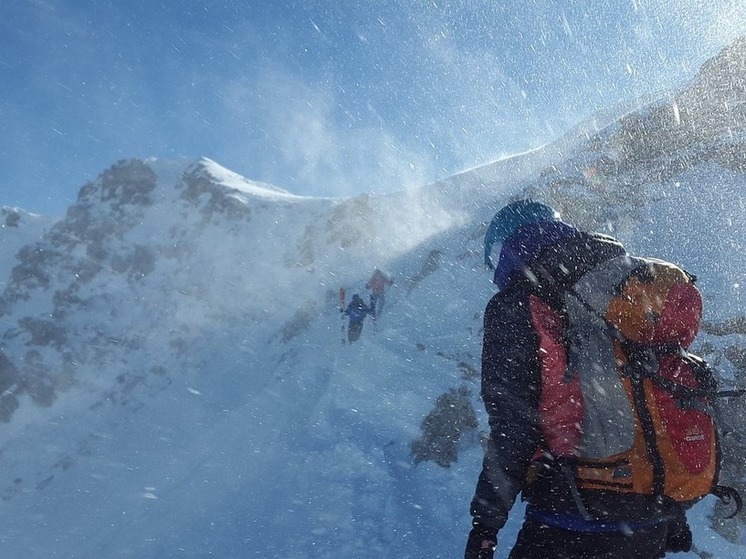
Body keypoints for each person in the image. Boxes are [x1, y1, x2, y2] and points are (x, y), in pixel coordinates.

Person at [465, 199, 692, 559]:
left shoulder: (518, 305)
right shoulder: (619, 286)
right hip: (647, 520)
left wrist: (485, 525)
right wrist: (671, 510)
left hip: (571, 515)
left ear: (506, 248)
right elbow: (654, 396)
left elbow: (514, 427)